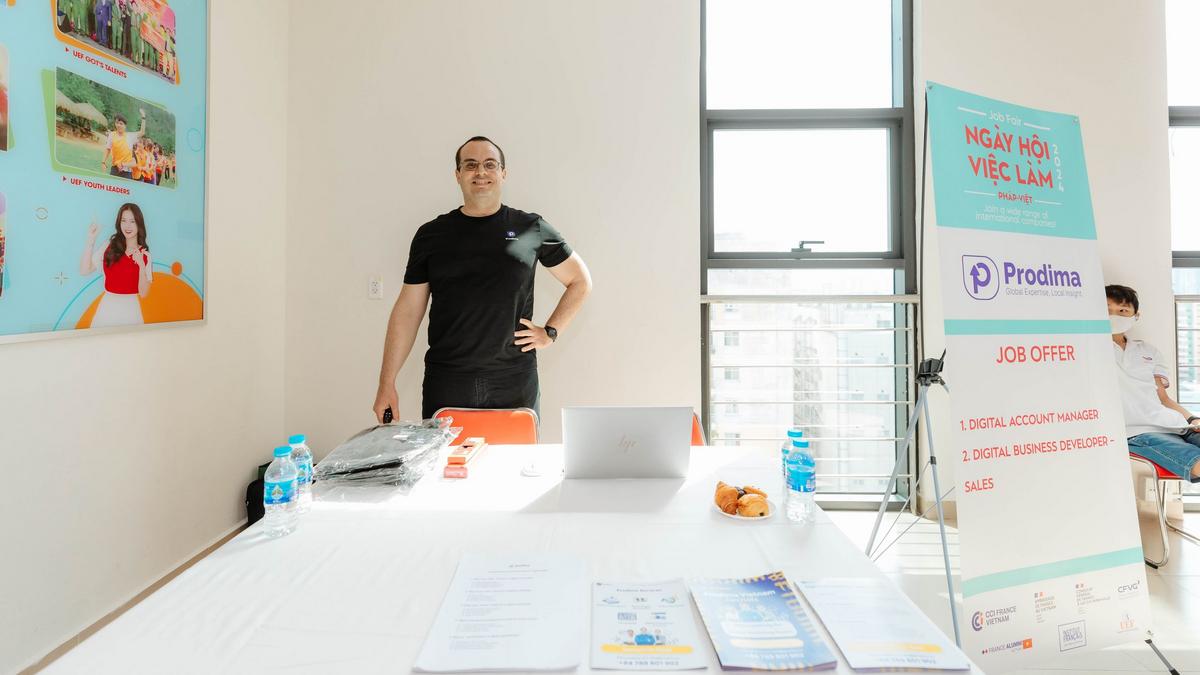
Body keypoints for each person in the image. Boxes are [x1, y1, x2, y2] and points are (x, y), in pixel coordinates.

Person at [373, 136, 592, 422]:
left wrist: (550, 332)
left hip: (513, 379)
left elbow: (580, 281)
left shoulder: (531, 228)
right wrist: (386, 382)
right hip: (448, 380)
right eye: (470, 165)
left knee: (515, 454)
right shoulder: (431, 235)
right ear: (458, 174)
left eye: (490, 164)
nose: (480, 172)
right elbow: (408, 311)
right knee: (446, 455)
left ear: (503, 173)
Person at [1108, 284, 1200, 481]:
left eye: (1122, 310)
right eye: (1107, 310)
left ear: (1135, 315)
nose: (1114, 316)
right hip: (1137, 432)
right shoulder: (1087, 350)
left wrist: (1193, 419)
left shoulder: (1148, 351)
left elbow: (1163, 398)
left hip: (1175, 425)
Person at [79, 203, 152, 327]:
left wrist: (141, 265)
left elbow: (144, 293)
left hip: (131, 310)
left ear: (139, 224)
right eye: (124, 221)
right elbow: (85, 270)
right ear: (119, 223)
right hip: (108, 307)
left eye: (132, 221)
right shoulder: (109, 246)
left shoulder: (145, 255)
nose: (127, 226)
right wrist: (91, 240)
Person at [100, 109, 145, 179]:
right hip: (115, 169)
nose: (118, 125)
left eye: (121, 123)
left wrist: (143, 117)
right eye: (117, 123)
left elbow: (142, 132)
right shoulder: (112, 135)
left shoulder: (130, 136)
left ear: (125, 126)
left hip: (127, 172)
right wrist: (103, 162)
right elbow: (108, 149)